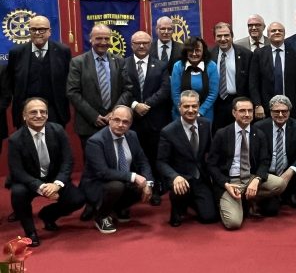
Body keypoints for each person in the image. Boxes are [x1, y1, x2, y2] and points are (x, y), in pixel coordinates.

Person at [7, 97, 85, 246]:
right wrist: (41, 187)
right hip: (28, 181)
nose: (39, 115)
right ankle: (30, 232)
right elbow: (17, 171)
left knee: (78, 199)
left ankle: (48, 215)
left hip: (54, 178)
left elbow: (68, 161)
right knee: (18, 193)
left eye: (43, 112)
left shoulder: (58, 130)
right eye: (33, 112)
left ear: (47, 114)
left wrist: (57, 184)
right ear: (24, 116)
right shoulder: (15, 139)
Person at [207, 97, 286, 229]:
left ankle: (246, 197)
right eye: (242, 111)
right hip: (230, 181)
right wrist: (225, 184)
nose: (247, 114)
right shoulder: (222, 134)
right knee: (233, 223)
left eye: (250, 110)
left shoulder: (259, 134)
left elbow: (265, 161)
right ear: (234, 113)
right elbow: (211, 164)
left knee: (280, 184)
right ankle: (239, 201)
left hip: (250, 177)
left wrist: (257, 179)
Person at [79, 105, 155, 234]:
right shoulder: (95, 141)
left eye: (125, 122)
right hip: (98, 185)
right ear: (110, 119)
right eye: (116, 120)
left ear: (130, 124)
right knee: (117, 186)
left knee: (141, 185)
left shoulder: (132, 136)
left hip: (121, 181)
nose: (120, 125)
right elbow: (103, 172)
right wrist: (133, 176)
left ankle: (118, 208)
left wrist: (148, 183)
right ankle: (101, 216)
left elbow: (143, 161)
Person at [67, 24, 134, 151]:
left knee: (116, 159)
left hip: (116, 123)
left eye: (106, 38)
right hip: (88, 125)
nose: (103, 42)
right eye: (98, 38)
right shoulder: (78, 62)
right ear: (90, 39)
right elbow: (73, 92)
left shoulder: (119, 61)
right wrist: (93, 116)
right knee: (92, 161)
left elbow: (127, 89)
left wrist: (114, 113)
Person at [156, 90, 217, 227]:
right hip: (180, 178)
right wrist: (174, 176)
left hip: (199, 178)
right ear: (179, 107)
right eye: (186, 106)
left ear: (199, 106)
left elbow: (211, 153)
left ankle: (191, 202)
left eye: (194, 106)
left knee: (209, 217)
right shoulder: (168, 131)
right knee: (179, 189)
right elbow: (161, 162)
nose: (190, 110)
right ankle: (178, 207)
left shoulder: (206, 125)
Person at [125, 31, 171, 206]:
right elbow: (121, 89)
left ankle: (155, 188)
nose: (142, 46)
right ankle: (133, 191)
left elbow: (165, 90)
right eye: (138, 43)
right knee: (133, 157)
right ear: (132, 45)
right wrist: (135, 105)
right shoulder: (123, 64)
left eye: (145, 43)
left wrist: (146, 104)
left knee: (154, 156)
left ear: (151, 45)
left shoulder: (161, 65)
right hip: (132, 120)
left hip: (155, 119)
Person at [253, 95, 296, 211]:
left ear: (289, 111)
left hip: (287, 172)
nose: (280, 115)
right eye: (276, 111)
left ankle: (291, 194)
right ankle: (273, 195)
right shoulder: (259, 127)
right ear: (270, 111)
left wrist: (290, 171)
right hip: (267, 174)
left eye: (284, 111)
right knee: (271, 210)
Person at [6, 15, 72, 128]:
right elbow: (11, 82)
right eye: (33, 29)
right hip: (25, 111)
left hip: (55, 111)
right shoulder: (16, 53)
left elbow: (68, 80)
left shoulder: (63, 51)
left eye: (41, 29)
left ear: (49, 31)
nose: (37, 33)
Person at [249, 22, 296, 126]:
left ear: (284, 34)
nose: (277, 32)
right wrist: (258, 105)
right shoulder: (259, 54)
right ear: (268, 35)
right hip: (266, 108)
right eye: (273, 31)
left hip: (292, 108)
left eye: (280, 30)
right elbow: (253, 82)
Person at [209, 22, 252, 134]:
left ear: (232, 36)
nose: (223, 39)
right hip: (216, 103)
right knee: (219, 135)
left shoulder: (246, 54)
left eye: (226, 35)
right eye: (219, 36)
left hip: (238, 102)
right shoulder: (208, 55)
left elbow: (252, 82)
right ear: (214, 38)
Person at [170, 36, 219, 121]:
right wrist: (183, 111)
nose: (194, 54)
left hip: (205, 113)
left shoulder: (211, 66)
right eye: (191, 50)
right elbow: (175, 93)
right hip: (181, 114)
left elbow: (213, 94)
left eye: (198, 50)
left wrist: (200, 112)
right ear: (186, 51)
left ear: (203, 51)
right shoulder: (178, 66)